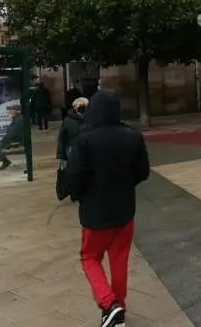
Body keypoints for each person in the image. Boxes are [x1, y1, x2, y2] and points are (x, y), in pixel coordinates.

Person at [66, 91, 150, 327]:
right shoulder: (133, 137)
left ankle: (109, 304)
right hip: (124, 210)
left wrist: (80, 194)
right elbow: (143, 172)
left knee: (89, 257)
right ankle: (118, 308)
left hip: (95, 213)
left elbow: (75, 177)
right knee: (119, 260)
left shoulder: (84, 139)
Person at [56, 97, 88, 166]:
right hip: (72, 149)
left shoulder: (90, 119)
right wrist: (61, 156)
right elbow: (62, 138)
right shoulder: (68, 120)